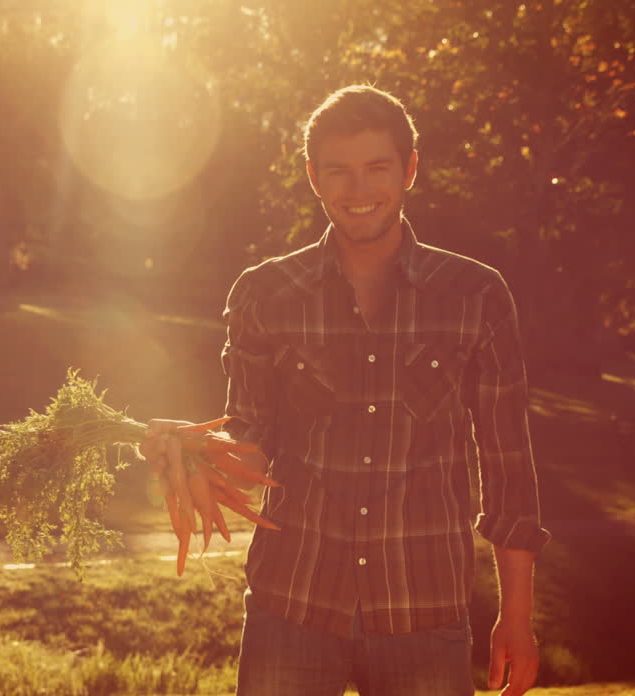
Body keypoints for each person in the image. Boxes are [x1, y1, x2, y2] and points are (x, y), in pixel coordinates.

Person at [145, 84, 551, 696]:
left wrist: (515, 618)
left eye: (376, 168)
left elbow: (509, 471)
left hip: (425, 611)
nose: (358, 191)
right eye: (338, 171)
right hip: (292, 607)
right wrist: (190, 450)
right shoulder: (265, 294)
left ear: (410, 169)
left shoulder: (475, 295)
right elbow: (250, 443)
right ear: (313, 177)